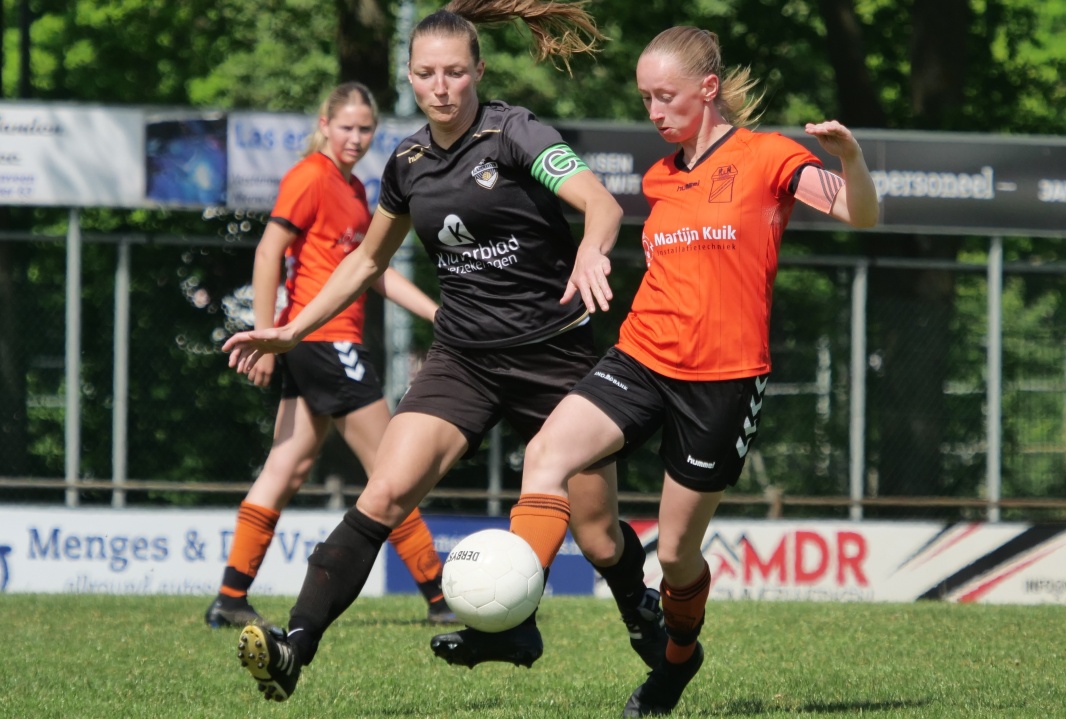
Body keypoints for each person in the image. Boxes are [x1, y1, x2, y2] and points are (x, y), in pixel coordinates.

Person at [222, 0, 666, 703]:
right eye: (427, 73)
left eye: (456, 72)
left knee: (600, 535)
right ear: (409, 77)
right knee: (384, 491)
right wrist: (287, 328)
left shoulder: (516, 132)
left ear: (478, 71)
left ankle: (641, 608)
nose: (442, 86)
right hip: (463, 358)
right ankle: (292, 647)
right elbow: (367, 263)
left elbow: (602, 204)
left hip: (554, 356)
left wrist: (590, 252)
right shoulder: (408, 162)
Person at [498, 25, 880, 718]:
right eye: (645, 97)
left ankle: (675, 662)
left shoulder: (769, 157)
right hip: (642, 356)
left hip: (726, 379)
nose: (653, 111)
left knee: (677, 555)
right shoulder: (660, 175)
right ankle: (514, 611)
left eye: (665, 95)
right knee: (545, 455)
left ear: (708, 89)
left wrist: (851, 157)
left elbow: (861, 212)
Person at [205, 81, 457, 632]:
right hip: (324, 342)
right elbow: (270, 250)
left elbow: (376, 272)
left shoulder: (354, 189)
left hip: (314, 344)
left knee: (286, 466)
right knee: (395, 468)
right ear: (324, 123)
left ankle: (229, 597)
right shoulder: (311, 177)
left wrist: (436, 313)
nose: (356, 138)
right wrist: (269, 335)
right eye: (346, 126)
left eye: (366, 129)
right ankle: (440, 599)